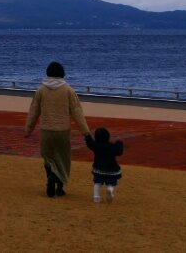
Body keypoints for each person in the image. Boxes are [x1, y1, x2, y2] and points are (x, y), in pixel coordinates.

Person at [24, 61, 91, 197]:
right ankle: (59, 187)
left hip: (46, 131)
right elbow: (77, 112)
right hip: (62, 131)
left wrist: (28, 129)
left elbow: (33, 112)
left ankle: (50, 177)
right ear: (62, 73)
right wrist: (86, 133)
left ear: (48, 73)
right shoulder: (68, 90)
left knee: (48, 158)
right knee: (63, 159)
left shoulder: (41, 90)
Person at [85, 127, 124, 204]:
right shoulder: (112, 146)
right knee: (112, 183)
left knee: (97, 183)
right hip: (112, 170)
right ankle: (110, 189)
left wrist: (87, 135)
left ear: (96, 137)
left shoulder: (96, 146)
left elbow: (90, 143)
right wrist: (119, 142)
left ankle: (96, 197)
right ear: (108, 136)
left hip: (99, 169)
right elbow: (119, 152)